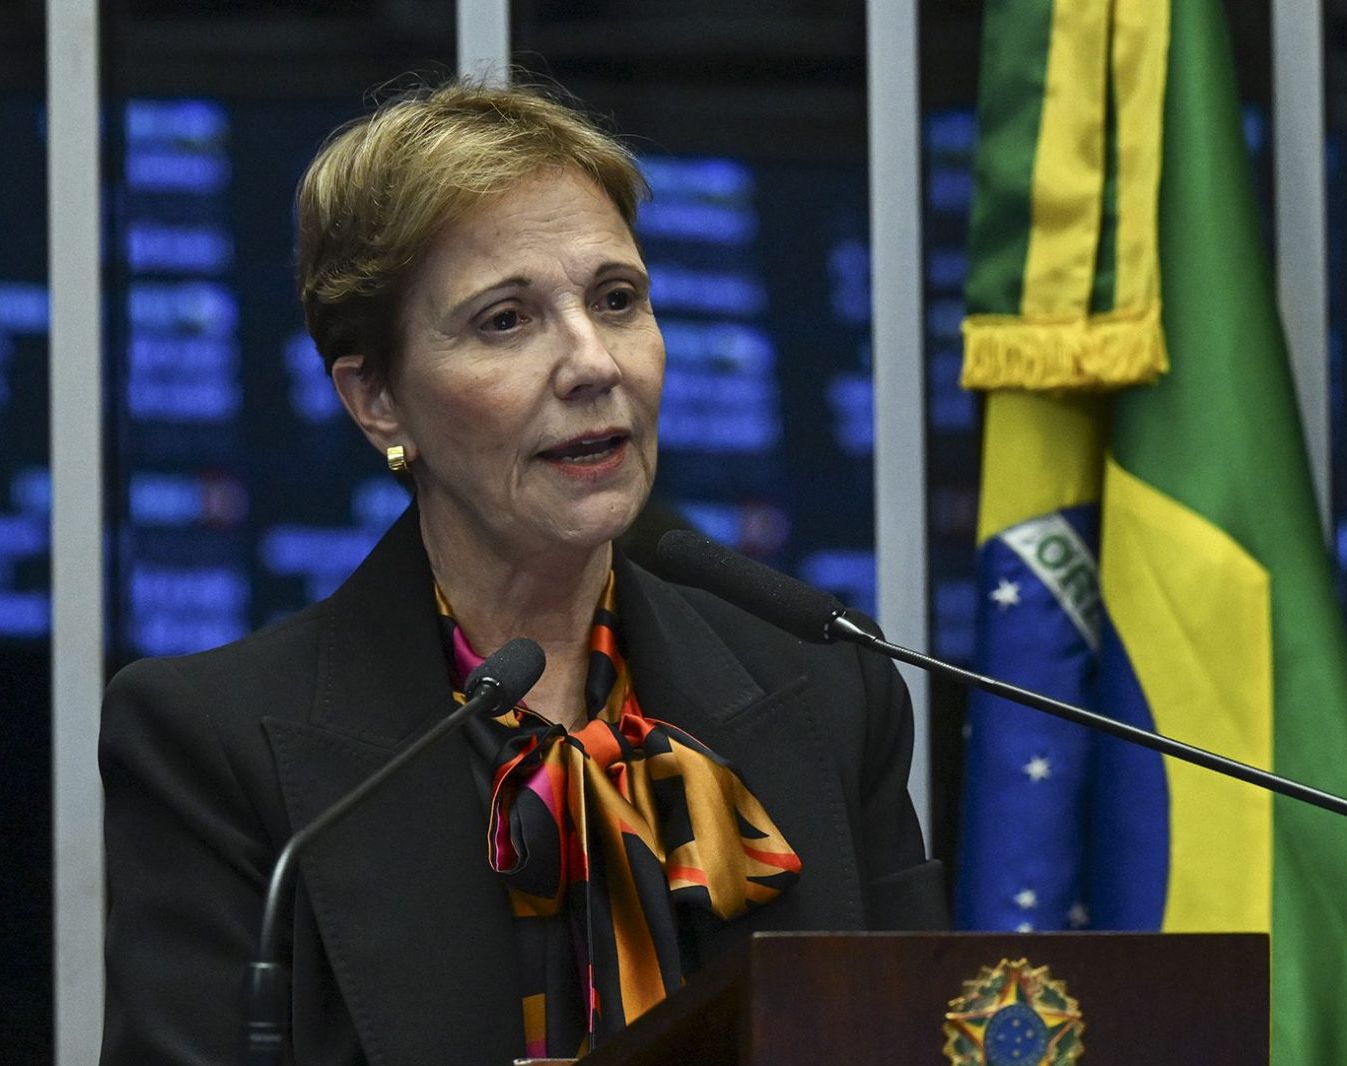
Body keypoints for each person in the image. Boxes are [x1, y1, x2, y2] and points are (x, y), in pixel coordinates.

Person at [99, 79, 946, 1065]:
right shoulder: (215, 751)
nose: (594, 363)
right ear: (376, 398)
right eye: (506, 319)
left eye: (617, 300)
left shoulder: (833, 698)